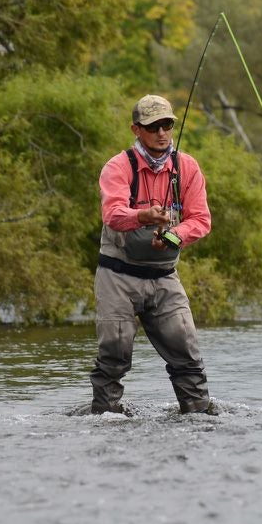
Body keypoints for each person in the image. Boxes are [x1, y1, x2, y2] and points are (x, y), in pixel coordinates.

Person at [90, 94, 216, 415]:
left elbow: (201, 220)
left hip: (164, 278)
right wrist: (143, 217)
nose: (162, 132)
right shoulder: (118, 167)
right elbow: (113, 214)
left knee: (186, 352)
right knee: (115, 354)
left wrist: (173, 236)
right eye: (153, 126)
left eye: (167, 125)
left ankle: (198, 416)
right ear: (136, 129)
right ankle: (105, 417)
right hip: (118, 276)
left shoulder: (186, 167)